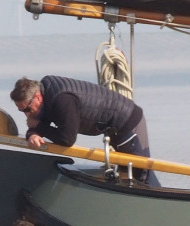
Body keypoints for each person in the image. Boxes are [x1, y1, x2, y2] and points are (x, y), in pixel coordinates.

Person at [10, 75, 160, 186]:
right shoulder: (46, 94)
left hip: (128, 121)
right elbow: (41, 122)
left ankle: (162, 205)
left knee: (141, 172)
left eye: (27, 109)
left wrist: (38, 127)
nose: (26, 115)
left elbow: (67, 139)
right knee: (126, 173)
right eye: (21, 111)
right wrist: (32, 134)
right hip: (113, 128)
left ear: (37, 97)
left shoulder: (62, 100)